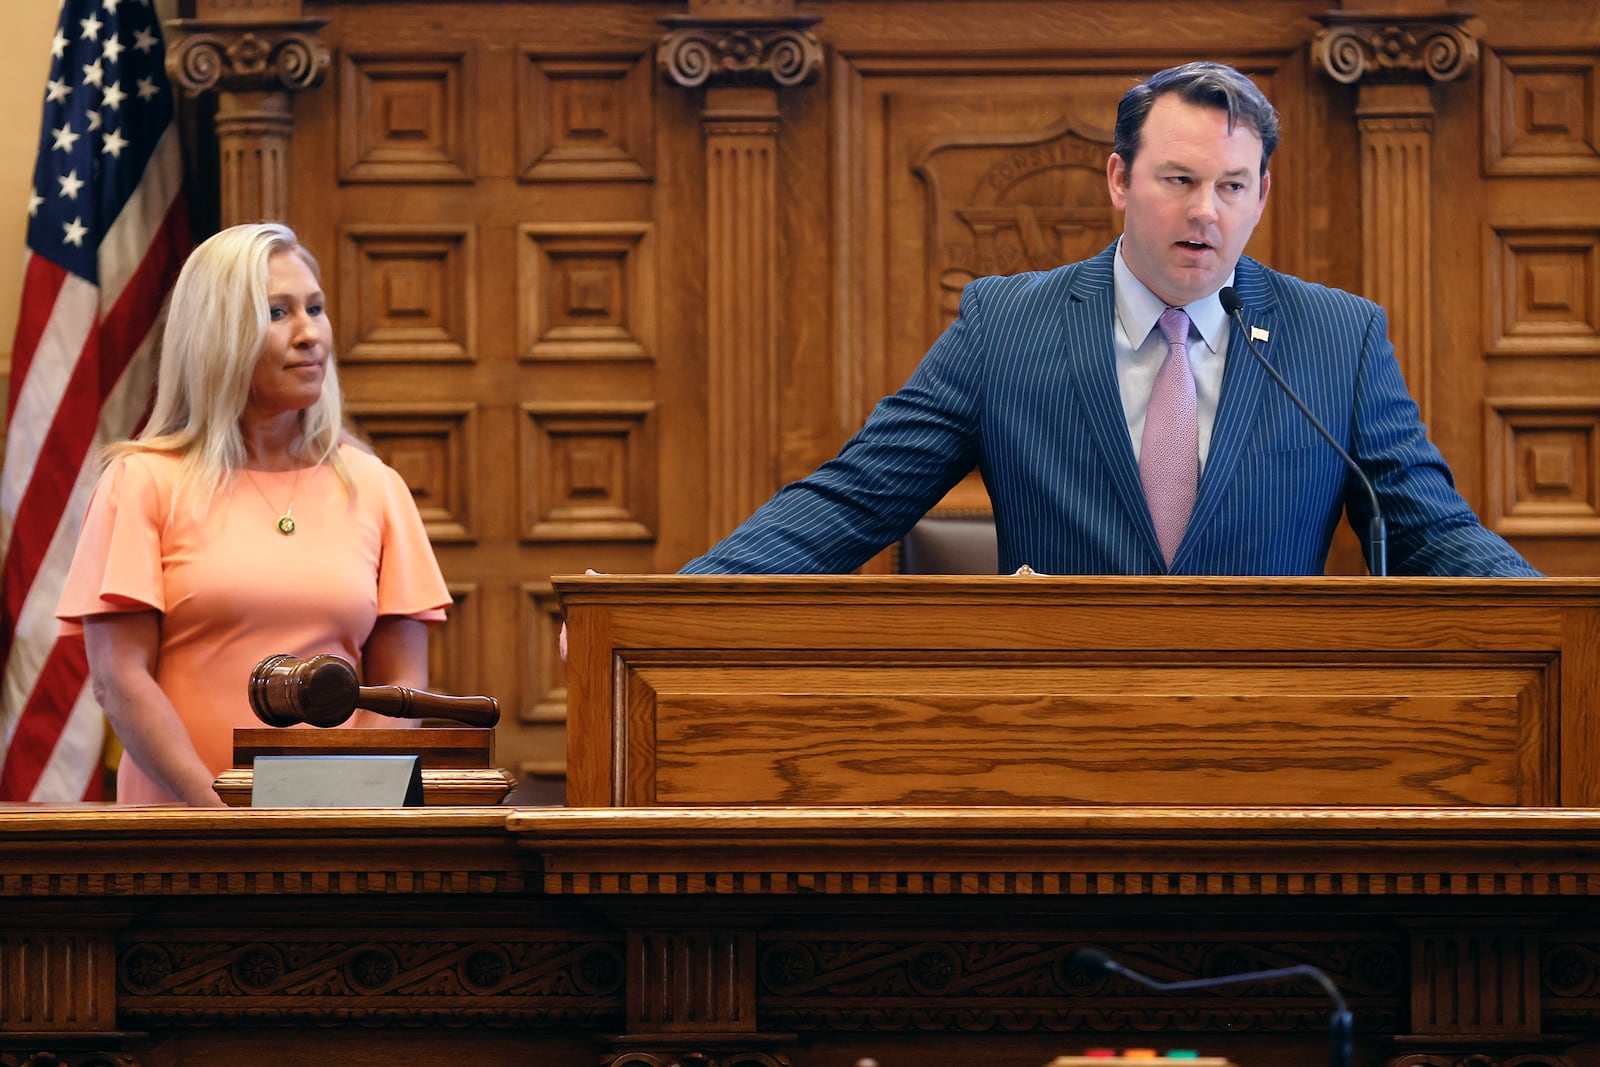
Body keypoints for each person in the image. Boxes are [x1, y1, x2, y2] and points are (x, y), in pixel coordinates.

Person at [679, 61, 1540, 579]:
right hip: (1056, 736)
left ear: (1261, 195)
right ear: (1120, 181)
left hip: (1271, 742)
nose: (1206, 212)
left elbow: (1431, 529)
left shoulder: (1337, 337)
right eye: (1178, 180)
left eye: (1232, 187)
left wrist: (1564, 628)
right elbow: (853, 499)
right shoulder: (1004, 326)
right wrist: (664, 610)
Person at [56, 222, 452, 806]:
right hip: (183, 825)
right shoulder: (141, 482)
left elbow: (400, 683)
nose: (309, 334)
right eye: (277, 313)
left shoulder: (374, 485)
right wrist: (222, 817)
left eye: (315, 309)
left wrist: (356, 804)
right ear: (217, 333)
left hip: (333, 829)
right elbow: (121, 681)